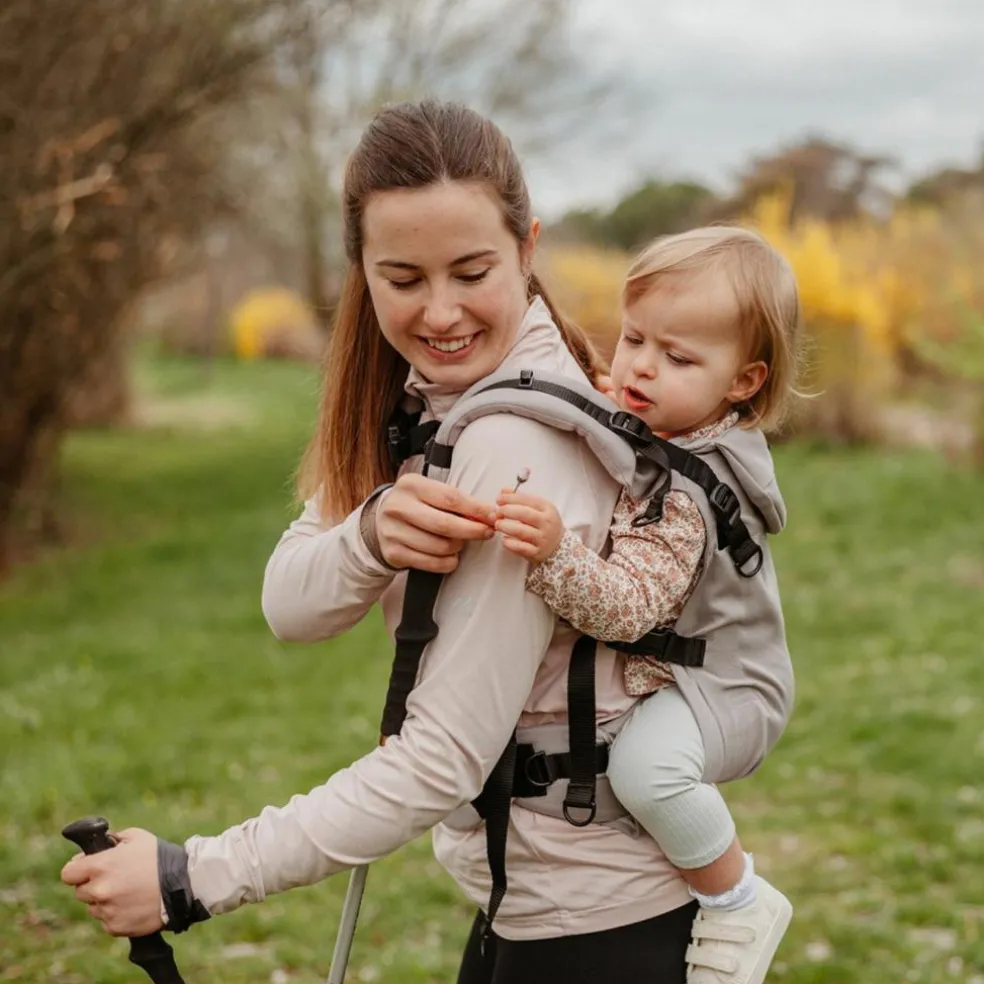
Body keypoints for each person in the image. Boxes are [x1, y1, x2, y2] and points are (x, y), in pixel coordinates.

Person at [61, 100, 738, 984]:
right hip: (525, 912)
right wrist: (373, 533)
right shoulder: (417, 409)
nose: (440, 310)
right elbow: (289, 605)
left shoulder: (517, 443)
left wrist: (192, 877)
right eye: (404, 278)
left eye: (470, 270)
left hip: (599, 933)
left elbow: (440, 761)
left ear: (528, 248)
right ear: (363, 273)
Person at [494, 226, 800, 983]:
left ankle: (736, 900)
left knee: (646, 769)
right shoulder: (666, 415)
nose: (639, 367)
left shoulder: (689, 499)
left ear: (744, 381)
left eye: (679, 357)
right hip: (699, 673)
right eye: (634, 338)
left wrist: (555, 552)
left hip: (727, 686)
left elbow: (629, 606)